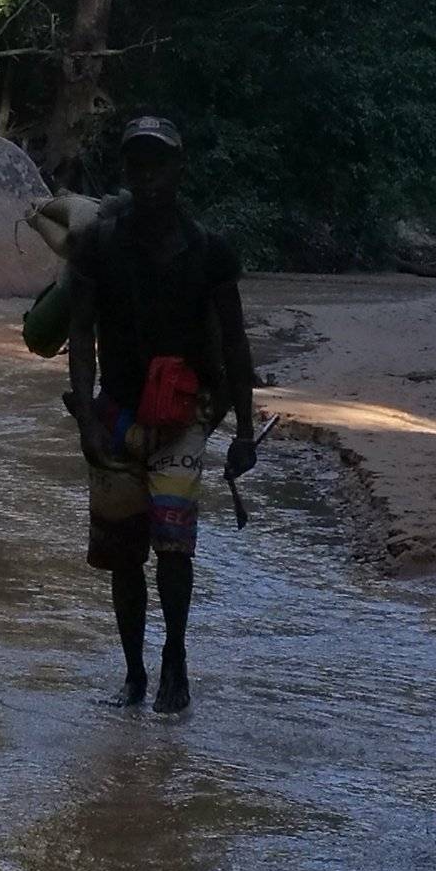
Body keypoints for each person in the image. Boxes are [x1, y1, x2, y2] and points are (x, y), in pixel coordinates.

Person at [62, 116, 259, 714]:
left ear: (179, 171)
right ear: (126, 172)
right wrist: (87, 424)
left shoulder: (210, 253)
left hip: (182, 419)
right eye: (136, 165)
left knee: (174, 547)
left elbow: (234, 343)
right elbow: (81, 335)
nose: (147, 177)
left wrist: (246, 432)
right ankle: (135, 674)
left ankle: (175, 661)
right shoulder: (98, 245)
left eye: (158, 165)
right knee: (124, 555)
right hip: (117, 416)